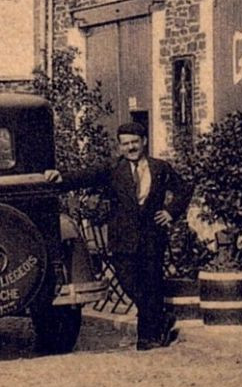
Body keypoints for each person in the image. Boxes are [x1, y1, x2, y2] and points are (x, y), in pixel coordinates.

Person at [64, 120, 189, 351]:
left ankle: (147, 338)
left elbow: (184, 189)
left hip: (152, 237)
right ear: (120, 147)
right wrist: (58, 178)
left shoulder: (160, 168)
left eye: (134, 142)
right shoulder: (113, 169)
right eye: (125, 144)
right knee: (129, 283)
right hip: (122, 239)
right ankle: (160, 318)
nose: (130, 148)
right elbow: (84, 176)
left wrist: (171, 212)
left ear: (144, 142)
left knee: (151, 285)